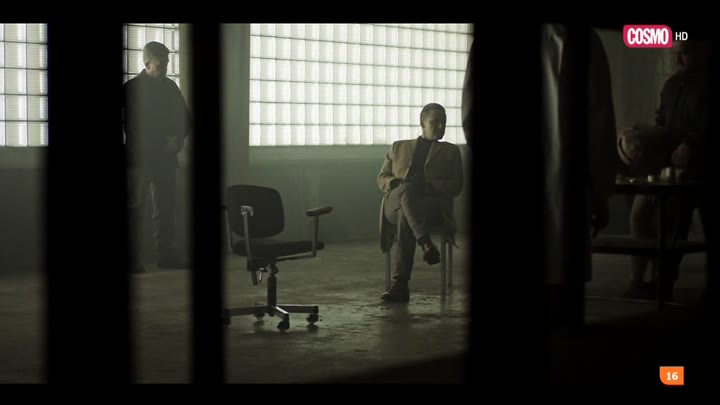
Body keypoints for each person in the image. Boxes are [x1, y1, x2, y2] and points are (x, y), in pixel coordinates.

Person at [621, 39, 711, 300]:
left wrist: (690, 144)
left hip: (699, 169)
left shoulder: (706, 84)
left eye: (684, 53)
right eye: (675, 54)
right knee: (642, 216)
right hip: (667, 167)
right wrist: (648, 138)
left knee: (676, 225)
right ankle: (645, 281)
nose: (677, 61)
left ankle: (661, 282)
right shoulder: (671, 85)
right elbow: (662, 121)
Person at [541, 25, 618, 326]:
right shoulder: (579, 38)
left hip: (564, 186)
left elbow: (470, 113)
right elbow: (599, 122)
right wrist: (600, 191)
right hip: (565, 188)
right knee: (562, 295)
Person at [377, 103, 464, 302]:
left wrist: (427, 187)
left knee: (406, 214)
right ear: (422, 123)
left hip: (429, 205)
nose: (440, 126)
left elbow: (456, 185)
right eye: (435, 122)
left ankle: (401, 284)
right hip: (395, 201)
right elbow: (382, 178)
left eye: (443, 122)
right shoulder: (398, 147)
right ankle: (425, 243)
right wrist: (397, 184)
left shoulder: (451, 151)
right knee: (406, 191)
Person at [122, 41, 192, 273]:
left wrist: (177, 140)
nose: (165, 68)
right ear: (147, 63)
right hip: (139, 158)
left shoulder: (170, 87)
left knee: (166, 208)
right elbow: (133, 125)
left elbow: (186, 119)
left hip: (165, 157)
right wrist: (165, 141)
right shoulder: (131, 89)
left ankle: (167, 255)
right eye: (160, 64)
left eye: (167, 63)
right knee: (135, 208)